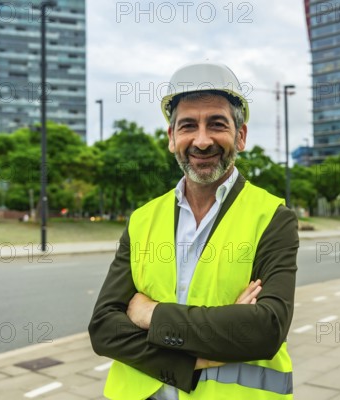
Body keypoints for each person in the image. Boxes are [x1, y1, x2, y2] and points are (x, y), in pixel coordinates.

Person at [89, 61, 299, 400]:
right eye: (188, 126)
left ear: (240, 136)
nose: (202, 141)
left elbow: (265, 329)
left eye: (216, 124)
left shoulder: (273, 217)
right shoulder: (142, 219)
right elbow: (104, 329)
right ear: (172, 138)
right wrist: (194, 358)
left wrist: (150, 313)